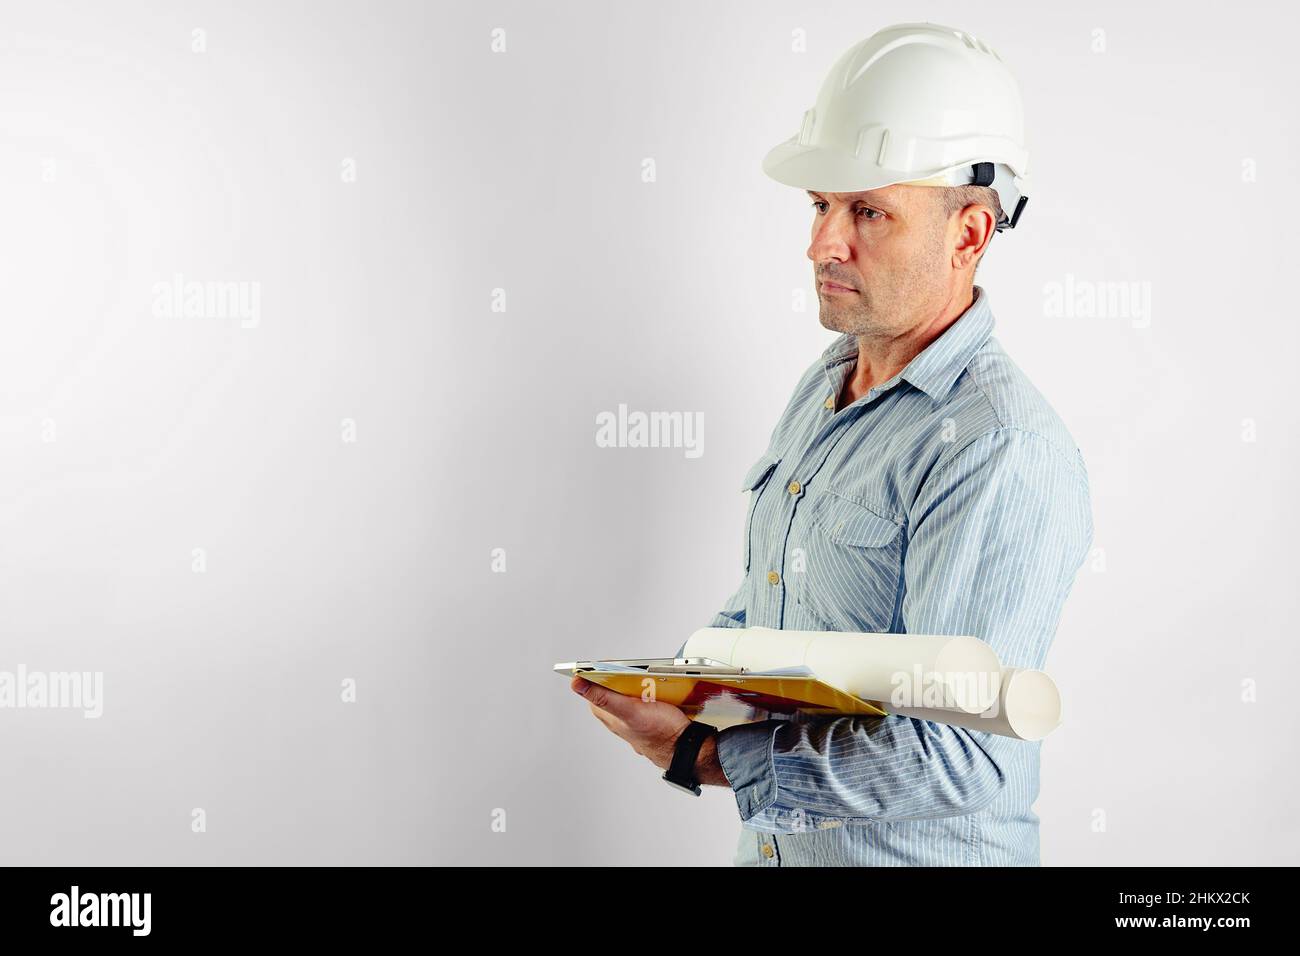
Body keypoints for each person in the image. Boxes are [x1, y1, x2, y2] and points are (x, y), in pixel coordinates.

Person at [571, 22, 1092, 866]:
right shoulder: (829, 383)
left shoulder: (999, 450)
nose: (821, 244)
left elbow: (964, 755)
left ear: (968, 234)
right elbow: (775, 619)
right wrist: (681, 682)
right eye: (820, 205)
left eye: (868, 211)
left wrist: (701, 755)